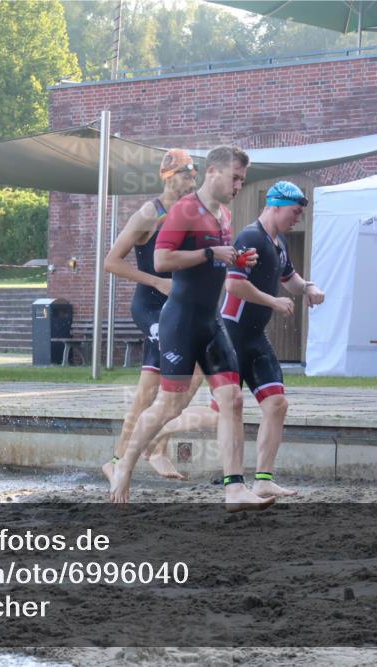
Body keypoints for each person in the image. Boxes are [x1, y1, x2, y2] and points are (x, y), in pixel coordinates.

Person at [110, 145, 274, 512]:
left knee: (232, 400)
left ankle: (234, 489)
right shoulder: (183, 210)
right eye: (235, 178)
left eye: (242, 180)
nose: (239, 186)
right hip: (180, 321)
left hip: (210, 321)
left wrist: (237, 259)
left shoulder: (224, 215)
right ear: (213, 172)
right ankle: (124, 466)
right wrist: (210, 254)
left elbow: (213, 262)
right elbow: (161, 260)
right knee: (168, 404)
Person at [102, 148, 212, 481]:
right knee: (181, 375)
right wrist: (157, 282)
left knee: (157, 390)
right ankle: (145, 451)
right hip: (150, 306)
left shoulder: (193, 212)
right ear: (169, 176)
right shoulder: (149, 214)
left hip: (178, 308)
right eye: (187, 174)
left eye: (194, 175)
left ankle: (132, 455)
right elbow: (111, 262)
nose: (193, 181)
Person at [220, 181, 325, 497]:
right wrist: (273, 302)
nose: (298, 219)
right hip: (231, 335)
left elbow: (290, 279)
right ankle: (158, 438)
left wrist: (308, 287)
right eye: (295, 212)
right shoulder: (250, 237)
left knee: (277, 404)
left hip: (255, 337)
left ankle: (263, 480)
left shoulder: (279, 243)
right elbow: (233, 285)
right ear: (275, 206)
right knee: (226, 408)